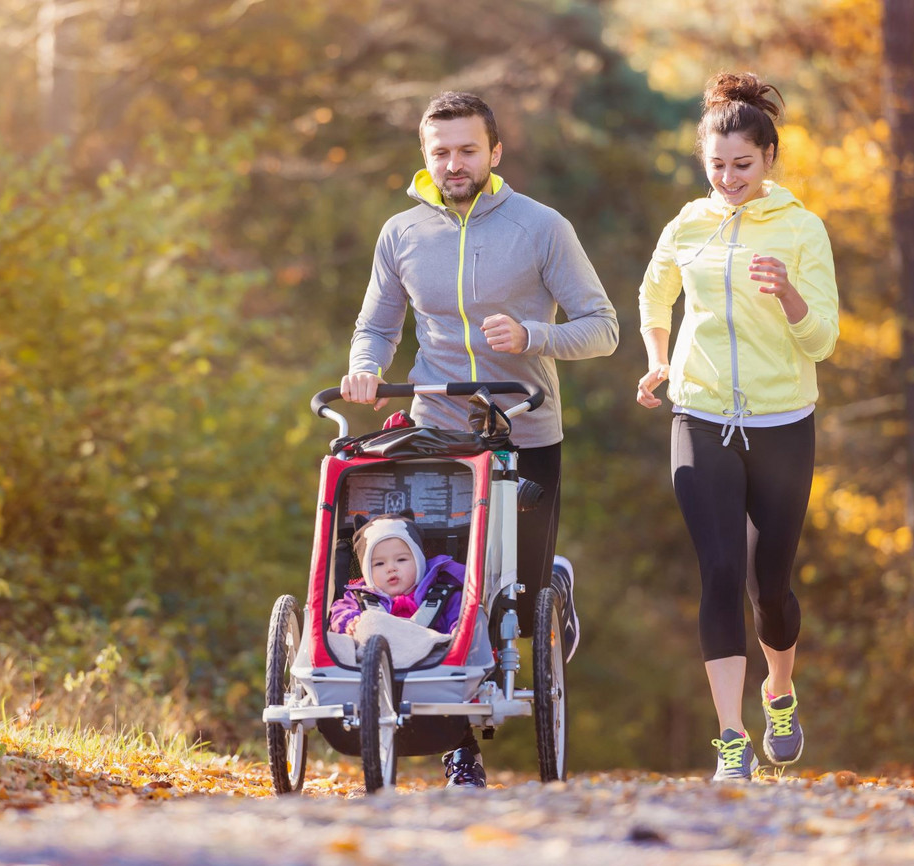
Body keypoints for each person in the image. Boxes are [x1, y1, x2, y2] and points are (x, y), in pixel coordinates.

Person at [340, 91, 619, 787]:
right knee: (442, 591)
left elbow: (602, 326)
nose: (453, 163)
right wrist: (367, 368)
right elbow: (376, 325)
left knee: (517, 607)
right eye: (440, 152)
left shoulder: (541, 227)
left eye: (467, 150)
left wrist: (533, 336)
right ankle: (461, 746)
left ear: (495, 153)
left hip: (525, 427)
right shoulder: (402, 233)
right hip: (438, 433)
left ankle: (548, 582)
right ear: (425, 157)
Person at [635, 72, 839, 781]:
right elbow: (653, 290)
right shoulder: (687, 224)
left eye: (742, 165)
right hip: (701, 413)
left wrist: (787, 292)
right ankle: (731, 738)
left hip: (784, 421)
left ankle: (778, 690)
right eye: (716, 165)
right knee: (720, 571)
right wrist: (659, 359)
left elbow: (824, 342)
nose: (728, 178)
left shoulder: (802, 228)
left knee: (770, 586)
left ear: (769, 159)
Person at [329, 513, 464, 636]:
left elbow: (459, 619)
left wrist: (457, 631)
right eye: (379, 564)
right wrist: (351, 622)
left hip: (433, 657)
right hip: (375, 657)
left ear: (419, 563)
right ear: (368, 572)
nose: (391, 568)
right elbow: (339, 611)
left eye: (401, 560)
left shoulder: (445, 596)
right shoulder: (357, 598)